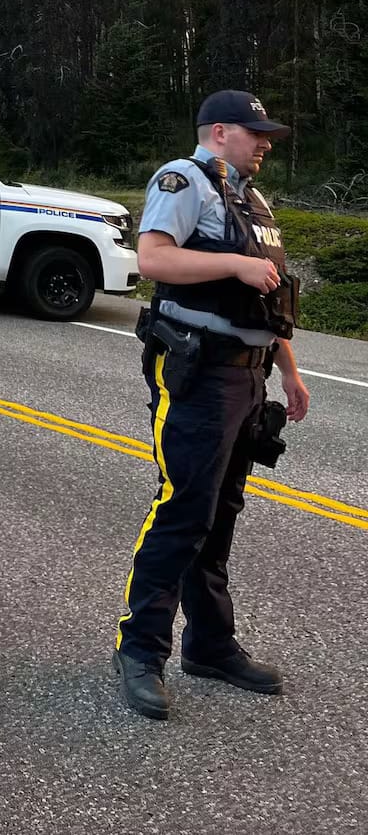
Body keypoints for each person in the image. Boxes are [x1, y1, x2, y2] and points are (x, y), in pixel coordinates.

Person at [113, 90, 311, 720]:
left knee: (220, 514)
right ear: (219, 131)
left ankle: (210, 644)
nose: (266, 142)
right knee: (184, 510)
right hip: (198, 375)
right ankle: (140, 652)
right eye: (256, 133)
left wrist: (290, 374)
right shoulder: (183, 181)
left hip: (247, 377)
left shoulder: (250, 200)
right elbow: (152, 257)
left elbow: (266, 297)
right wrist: (233, 263)